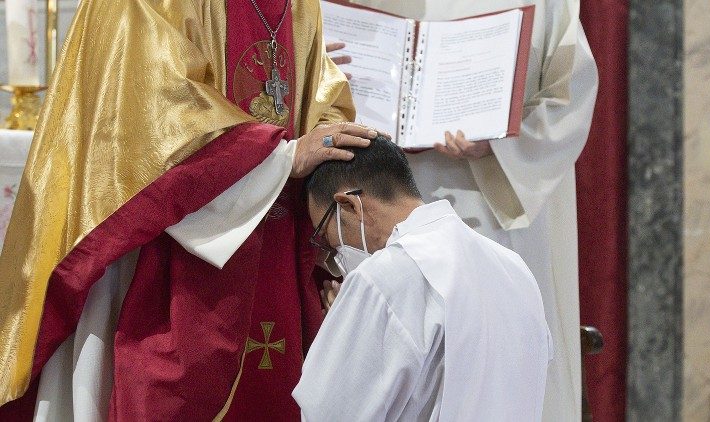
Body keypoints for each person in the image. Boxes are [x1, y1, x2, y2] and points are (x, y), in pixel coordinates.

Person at [0, 0, 385, 420]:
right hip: (160, 242)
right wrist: (283, 159)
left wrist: (331, 135)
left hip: (275, 243)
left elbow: (319, 95)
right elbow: (150, 107)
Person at [338, 1, 598, 419]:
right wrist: (322, 78)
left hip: (491, 205)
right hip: (379, 201)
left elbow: (570, 98)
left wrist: (498, 142)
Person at [292, 136, 552, 421]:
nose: (336, 255)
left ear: (350, 205)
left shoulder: (382, 276)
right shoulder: (513, 268)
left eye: (327, 237)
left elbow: (329, 413)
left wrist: (347, 322)